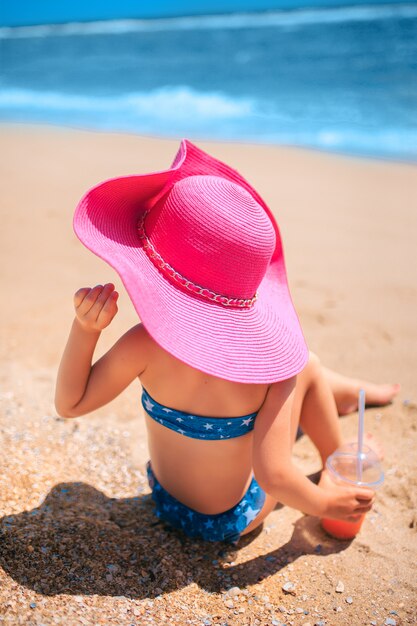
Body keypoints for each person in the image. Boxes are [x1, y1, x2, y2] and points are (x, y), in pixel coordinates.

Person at [55, 140, 399, 544]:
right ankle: (336, 461)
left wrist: (86, 329)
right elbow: (275, 476)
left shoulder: (142, 346)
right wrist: (325, 506)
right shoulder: (270, 371)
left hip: (166, 503)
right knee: (306, 364)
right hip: (234, 519)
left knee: (303, 372)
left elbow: (70, 404)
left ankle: (346, 394)